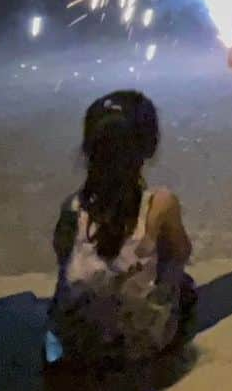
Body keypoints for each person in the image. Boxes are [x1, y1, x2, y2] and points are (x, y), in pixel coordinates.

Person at [47, 91, 195, 367]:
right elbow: (181, 252)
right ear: (150, 147)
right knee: (184, 285)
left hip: (76, 342)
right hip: (137, 344)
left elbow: (62, 257)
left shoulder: (73, 206)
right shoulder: (159, 203)